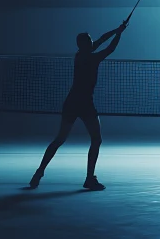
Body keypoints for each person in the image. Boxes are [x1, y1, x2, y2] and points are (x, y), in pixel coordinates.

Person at [29, 21, 128, 190]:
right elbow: (110, 48)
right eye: (89, 41)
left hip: (71, 102)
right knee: (96, 140)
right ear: (83, 44)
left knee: (60, 139)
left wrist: (117, 29)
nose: (92, 42)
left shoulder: (80, 54)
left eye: (91, 41)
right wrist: (119, 34)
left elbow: (102, 39)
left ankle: (39, 172)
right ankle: (89, 178)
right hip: (84, 103)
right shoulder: (91, 58)